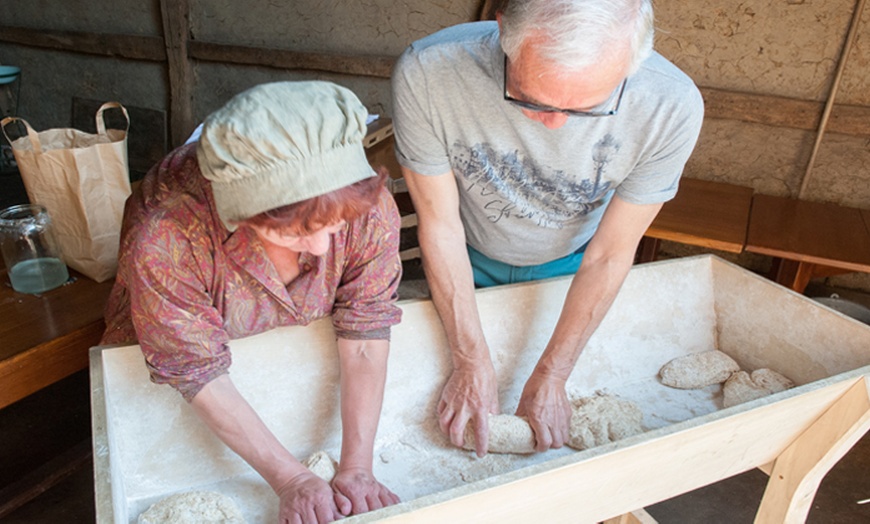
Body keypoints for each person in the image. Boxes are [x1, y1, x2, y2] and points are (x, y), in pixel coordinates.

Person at [391, 0, 704, 457]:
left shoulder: (670, 105)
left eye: (587, 108)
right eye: (532, 100)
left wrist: (554, 373)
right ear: (502, 32)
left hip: (577, 267)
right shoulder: (429, 72)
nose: (555, 125)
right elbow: (439, 225)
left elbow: (611, 253)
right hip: (465, 255)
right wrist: (470, 359)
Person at [101, 81, 402, 523]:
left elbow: (364, 333)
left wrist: (357, 468)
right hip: (175, 339)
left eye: (335, 226)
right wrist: (292, 479)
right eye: (296, 232)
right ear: (244, 213)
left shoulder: (365, 206)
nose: (320, 249)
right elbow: (196, 369)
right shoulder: (167, 237)